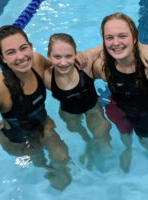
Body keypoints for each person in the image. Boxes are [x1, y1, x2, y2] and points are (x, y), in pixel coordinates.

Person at [0, 25, 72, 196]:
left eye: (23, 48)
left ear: (31, 47)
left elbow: (61, 67)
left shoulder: (38, 61)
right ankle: (47, 173)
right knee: (39, 160)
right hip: (17, 140)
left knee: (62, 157)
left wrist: (80, 59)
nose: (20, 57)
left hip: (43, 124)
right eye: (11, 52)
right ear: (3, 58)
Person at [92, 12, 148, 173]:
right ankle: (128, 149)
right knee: (124, 135)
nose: (116, 43)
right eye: (109, 37)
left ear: (134, 38)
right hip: (119, 109)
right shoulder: (102, 67)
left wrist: (141, 47)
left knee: (147, 139)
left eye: (122, 36)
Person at [44, 33, 112, 170]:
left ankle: (107, 162)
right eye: (57, 57)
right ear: (49, 56)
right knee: (77, 130)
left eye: (69, 56)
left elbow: (106, 46)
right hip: (69, 113)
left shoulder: (85, 63)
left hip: (93, 108)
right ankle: (86, 140)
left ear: (75, 54)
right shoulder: (46, 77)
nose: (63, 62)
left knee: (103, 132)